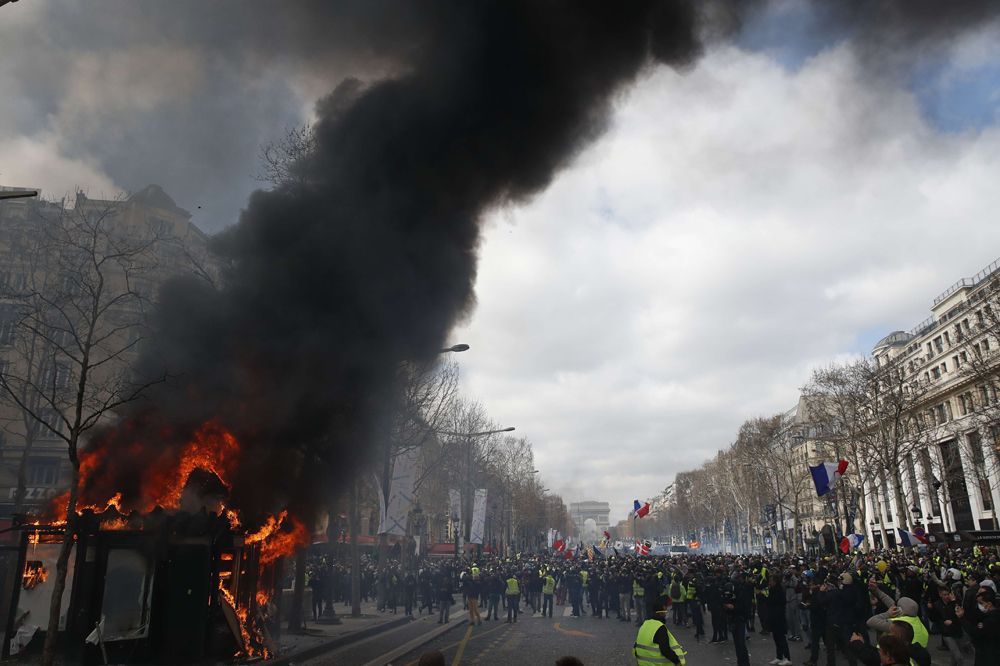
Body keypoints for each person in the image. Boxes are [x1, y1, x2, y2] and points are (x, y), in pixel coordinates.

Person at [633, 595, 686, 665]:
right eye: (666, 609)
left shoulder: (645, 624)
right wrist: (677, 662)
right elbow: (665, 650)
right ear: (662, 609)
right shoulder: (659, 628)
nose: (667, 611)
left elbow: (636, 646)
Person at [956, 586, 1000, 666]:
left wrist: (962, 618)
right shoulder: (989, 614)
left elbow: (975, 632)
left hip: (988, 655)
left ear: (989, 603)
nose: (978, 596)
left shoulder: (991, 620)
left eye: (981, 603)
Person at [765, 573, 792, 666]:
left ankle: (787, 657)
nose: (770, 582)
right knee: (776, 638)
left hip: (778, 618)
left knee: (781, 639)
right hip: (773, 617)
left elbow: (774, 602)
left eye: (771, 581)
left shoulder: (778, 591)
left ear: (775, 581)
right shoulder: (773, 590)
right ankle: (779, 656)